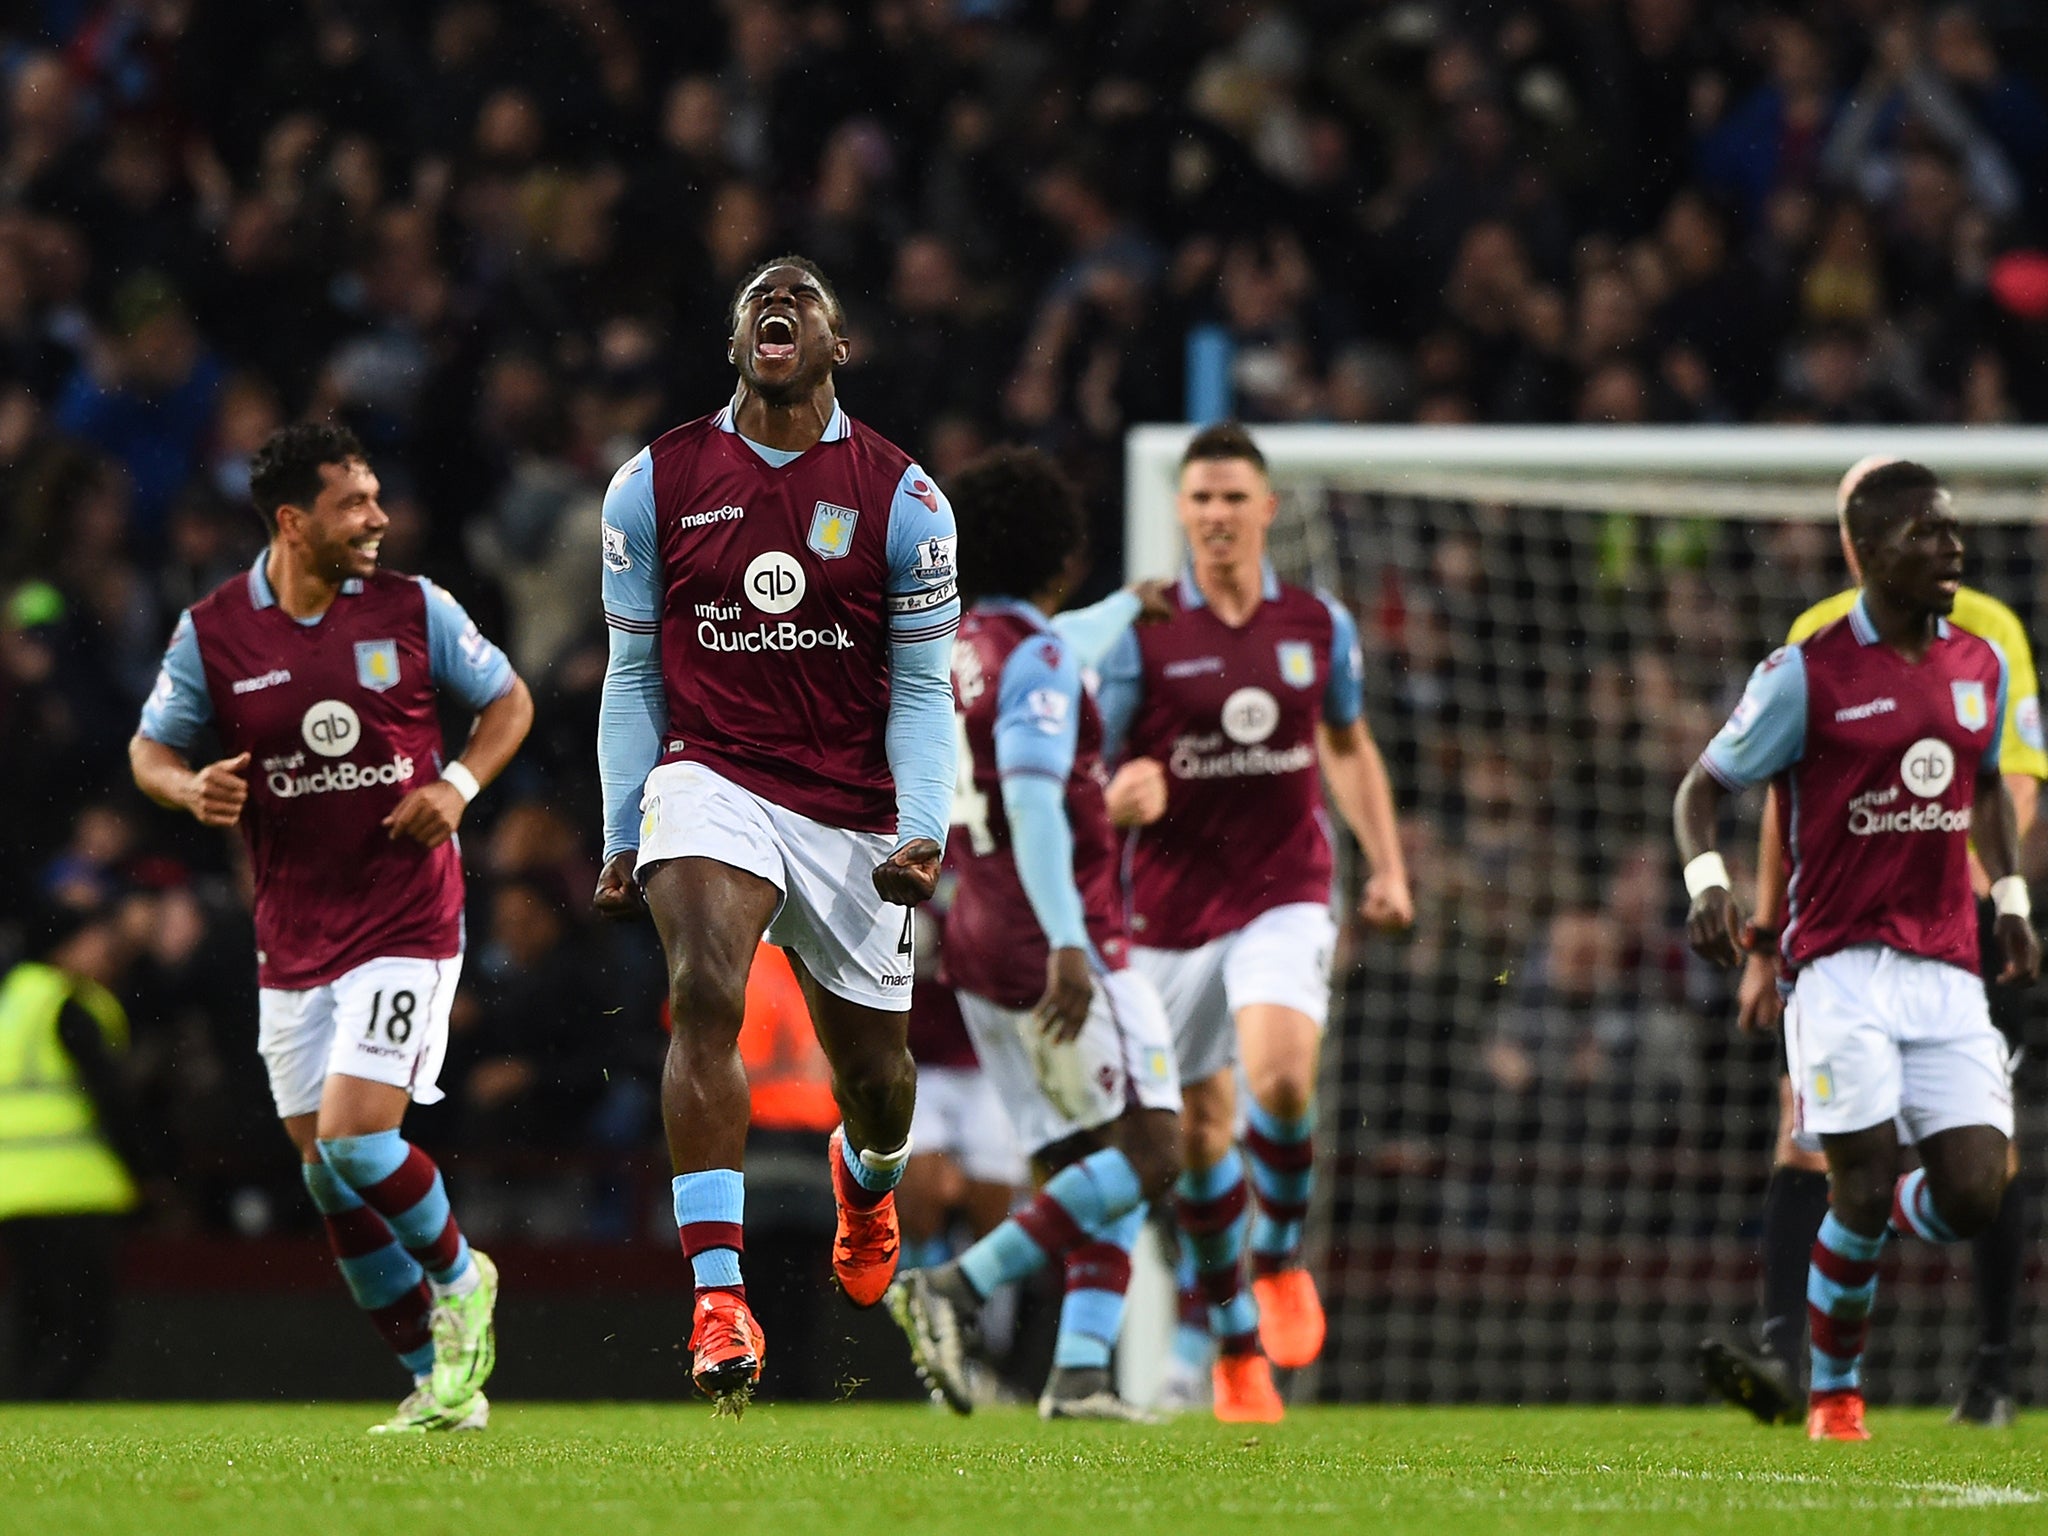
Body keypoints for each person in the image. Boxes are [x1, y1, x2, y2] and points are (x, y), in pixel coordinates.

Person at [591, 255, 958, 1412]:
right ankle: (716, 1295)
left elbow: (918, 690)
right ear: (737, 340)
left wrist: (922, 829)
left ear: (835, 347)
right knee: (705, 987)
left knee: (878, 1088)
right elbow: (632, 670)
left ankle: (867, 1185)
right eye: (758, 299)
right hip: (715, 779)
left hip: (851, 816)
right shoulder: (653, 483)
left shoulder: (903, 498)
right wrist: (617, 829)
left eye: (800, 301)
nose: (776, 307)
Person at [130, 421, 533, 1433]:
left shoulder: (413, 608)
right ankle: (434, 1387)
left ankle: (460, 1277)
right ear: (292, 521)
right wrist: (188, 788)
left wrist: (457, 782)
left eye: (378, 498)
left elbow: (508, 701)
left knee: (358, 1146)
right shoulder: (215, 632)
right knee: (326, 1180)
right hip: (291, 936)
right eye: (356, 504)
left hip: (404, 915)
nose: (379, 519)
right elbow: (148, 747)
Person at [1674, 459, 2041, 1442]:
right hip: (1836, 968)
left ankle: (1859, 1247)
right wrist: (1712, 891)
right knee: (1860, 1181)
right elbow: (1700, 791)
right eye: (1925, 535)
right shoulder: (1808, 669)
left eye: (1952, 532)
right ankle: (1833, 1394)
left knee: (1973, 1191)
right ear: (1866, 552)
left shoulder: (1980, 664)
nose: (1950, 549)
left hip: (1948, 965)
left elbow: (1979, 793)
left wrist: (2005, 896)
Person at [1097, 422, 1413, 1421]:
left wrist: (1387, 866)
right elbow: (1078, 773)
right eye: (1199, 500)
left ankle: (1275, 1257)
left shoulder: (1317, 625)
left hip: (1281, 891)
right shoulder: (1141, 632)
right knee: (1196, 1134)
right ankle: (1234, 1346)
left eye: (1233, 497)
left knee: (1279, 1072)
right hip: (1165, 917)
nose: (1216, 515)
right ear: (1180, 512)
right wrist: (1115, 793)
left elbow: (1348, 745)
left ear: (1266, 509)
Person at [883, 448, 1183, 1422]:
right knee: (1149, 1151)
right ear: (1061, 550)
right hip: (1052, 931)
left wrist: (1127, 607)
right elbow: (1033, 798)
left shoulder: (965, 646)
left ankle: (1081, 1375)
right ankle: (955, 1288)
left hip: (971, 931)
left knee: (1089, 1165)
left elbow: (1060, 644)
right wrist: (1063, 941)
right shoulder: (1039, 656)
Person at [0, 899, 143, 1399]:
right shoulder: (69, 1004)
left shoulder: (12, 1000)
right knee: (83, 1328)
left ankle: (25, 1411)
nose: (107, 952)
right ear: (68, 946)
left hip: (12, 1190)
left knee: (35, 1316)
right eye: (96, 939)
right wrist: (149, 1168)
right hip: (71, 1187)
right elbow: (112, 1098)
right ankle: (41, 1404)